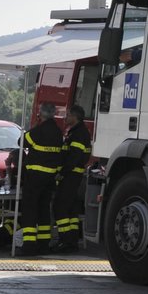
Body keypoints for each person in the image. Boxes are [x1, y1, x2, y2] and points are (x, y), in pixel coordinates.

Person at [16, 102, 64, 255]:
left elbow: (21, 142)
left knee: (30, 210)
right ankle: (43, 244)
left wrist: (35, 126)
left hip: (34, 177)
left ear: (41, 113)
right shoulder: (58, 132)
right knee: (44, 210)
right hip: (49, 178)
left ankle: (29, 245)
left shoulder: (38, 130)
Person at [51, 105, 90, 252]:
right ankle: (72, 240)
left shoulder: (78, 134)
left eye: (67, 115)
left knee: (60, 207)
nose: (65, 118)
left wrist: (62, 172)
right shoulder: (76, 132)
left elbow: (74, 157)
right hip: (73, 175)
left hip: (71, 175)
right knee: (71, 210)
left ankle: (66, 240)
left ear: (75, 117)